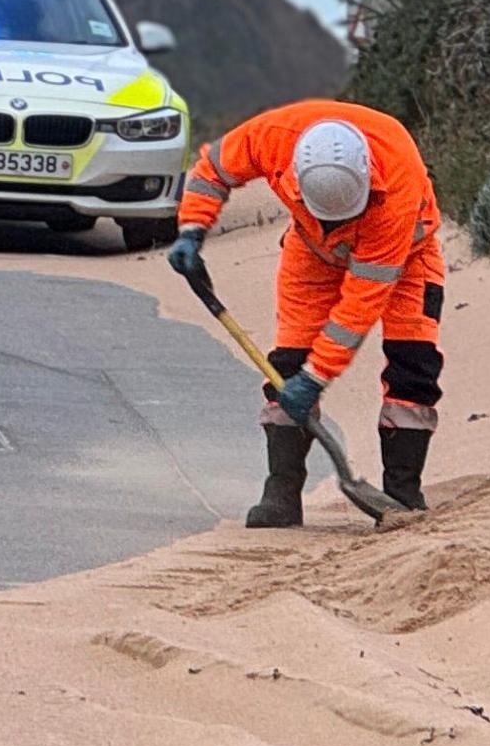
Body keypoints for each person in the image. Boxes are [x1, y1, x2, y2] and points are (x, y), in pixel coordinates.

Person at [164, 101, 445, 524]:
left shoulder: (397, 188)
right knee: (288, 363)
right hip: (311, 253)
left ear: (368, 180)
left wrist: (316, 379)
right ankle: (281, 492)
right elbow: (211, 171)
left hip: (406, 258)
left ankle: (403, 493)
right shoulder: (273, 136)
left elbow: (357, 309)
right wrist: (192, 230)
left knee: (413, 363)